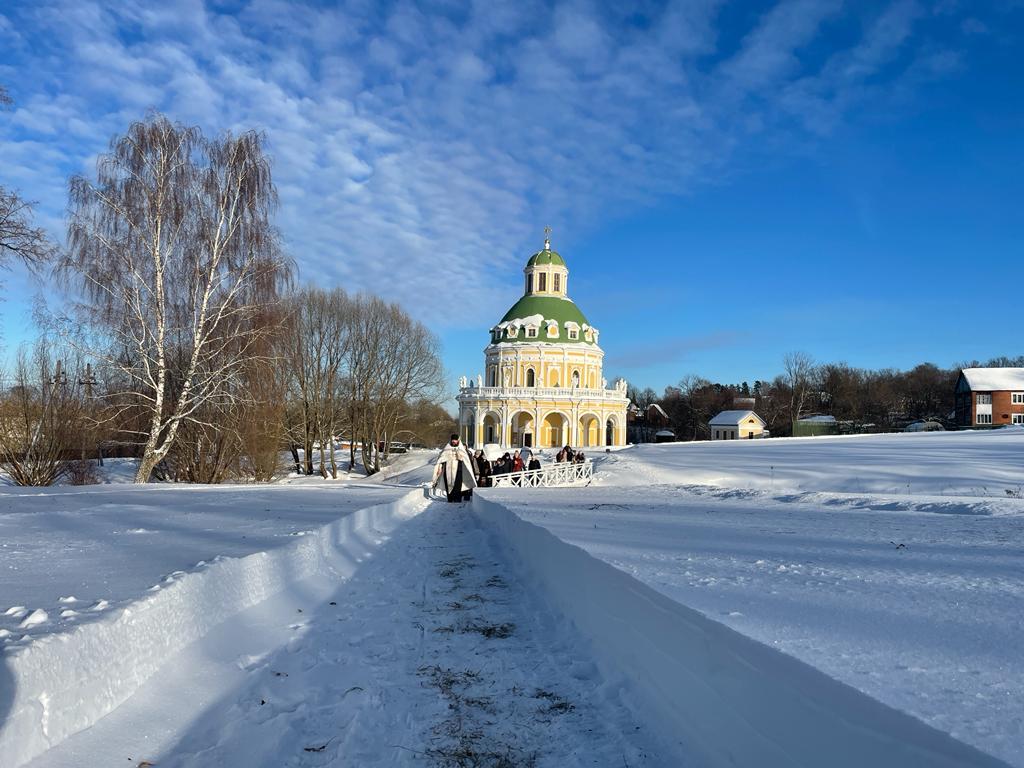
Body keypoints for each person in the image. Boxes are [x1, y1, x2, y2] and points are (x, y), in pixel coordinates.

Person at [431, 434, 477, 502]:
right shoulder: (446, 449)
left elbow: (466, 461)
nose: (454, 442)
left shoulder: (461, 449)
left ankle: (457, 499)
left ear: (458, 441)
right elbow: (441, 459)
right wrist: (440, 466)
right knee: (448, 484)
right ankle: (450, 498)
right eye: (453, 441)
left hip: (459, 470)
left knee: (457, 485)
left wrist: (460, 457)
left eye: (455, 441)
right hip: (448, 470)